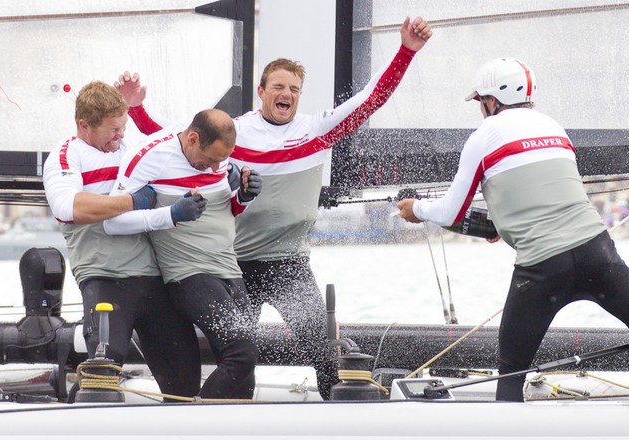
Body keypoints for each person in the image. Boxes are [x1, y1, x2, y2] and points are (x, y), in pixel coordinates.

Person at [116, 15, 433, 400]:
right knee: (235, 357)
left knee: (321, 350)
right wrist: (135, 109)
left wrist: (406, 52)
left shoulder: (316, 132)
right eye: (279, 86)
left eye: (295, 89)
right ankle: (217, 417)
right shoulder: (235, 133)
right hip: (235, 265)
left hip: (288, 263)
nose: (287, 94)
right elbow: (174, 137)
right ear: (261, 91)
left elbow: (369, 100)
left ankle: (341, 415)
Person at [397, 58, 629, 401]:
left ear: (492, 101)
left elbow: (452, 209)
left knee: (512, 369)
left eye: (480, 102)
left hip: (544, 270)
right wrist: (505, 223)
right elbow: (543, 191)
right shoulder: (554, 126)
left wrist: (416, 209)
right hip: (598, 255)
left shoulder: (484, 136)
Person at [43, 80, 204, 401]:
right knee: (104, 367)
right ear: (84, 125)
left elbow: (177, 140)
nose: (120, 137)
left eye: (123, 127)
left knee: (185, 376)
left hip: (153, 278)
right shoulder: (66, 156)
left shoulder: (128, 143)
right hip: (105, 279)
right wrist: (131, 202)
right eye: (112, 130)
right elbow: (68, 207)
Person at [103, 108, 262, 400]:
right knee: (240, 351)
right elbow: (112, 222)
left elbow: (225, 209)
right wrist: (171, 215)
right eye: (212, 160)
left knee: (245, 368)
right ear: (192, 139)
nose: (216, 168)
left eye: (222, 161)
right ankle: (193, 423)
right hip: (190, 274)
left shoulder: (215, 155)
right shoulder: (151, 157)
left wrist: (244, 197)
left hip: (229, 268)